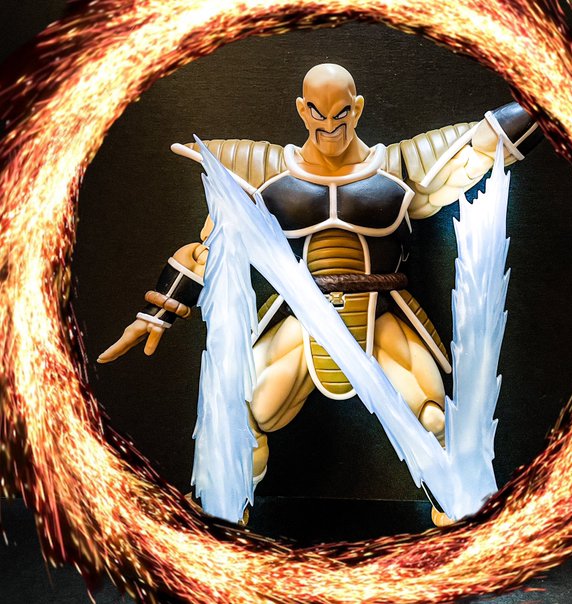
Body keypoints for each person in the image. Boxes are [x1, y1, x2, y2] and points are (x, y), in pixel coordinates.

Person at [98, 63, 541, 525]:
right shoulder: (264, 174)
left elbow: (481, 145)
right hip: (303, 319)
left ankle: (461, 511)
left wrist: (548, 100)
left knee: (432, 418)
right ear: (301, 109)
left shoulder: (397, 169)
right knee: (240, 418)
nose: (330, 124)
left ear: (358, 107)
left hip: (381, 317)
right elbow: (209, 249)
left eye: (341, 112)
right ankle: (224, 509)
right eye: (318, 112)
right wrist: (158, 311)